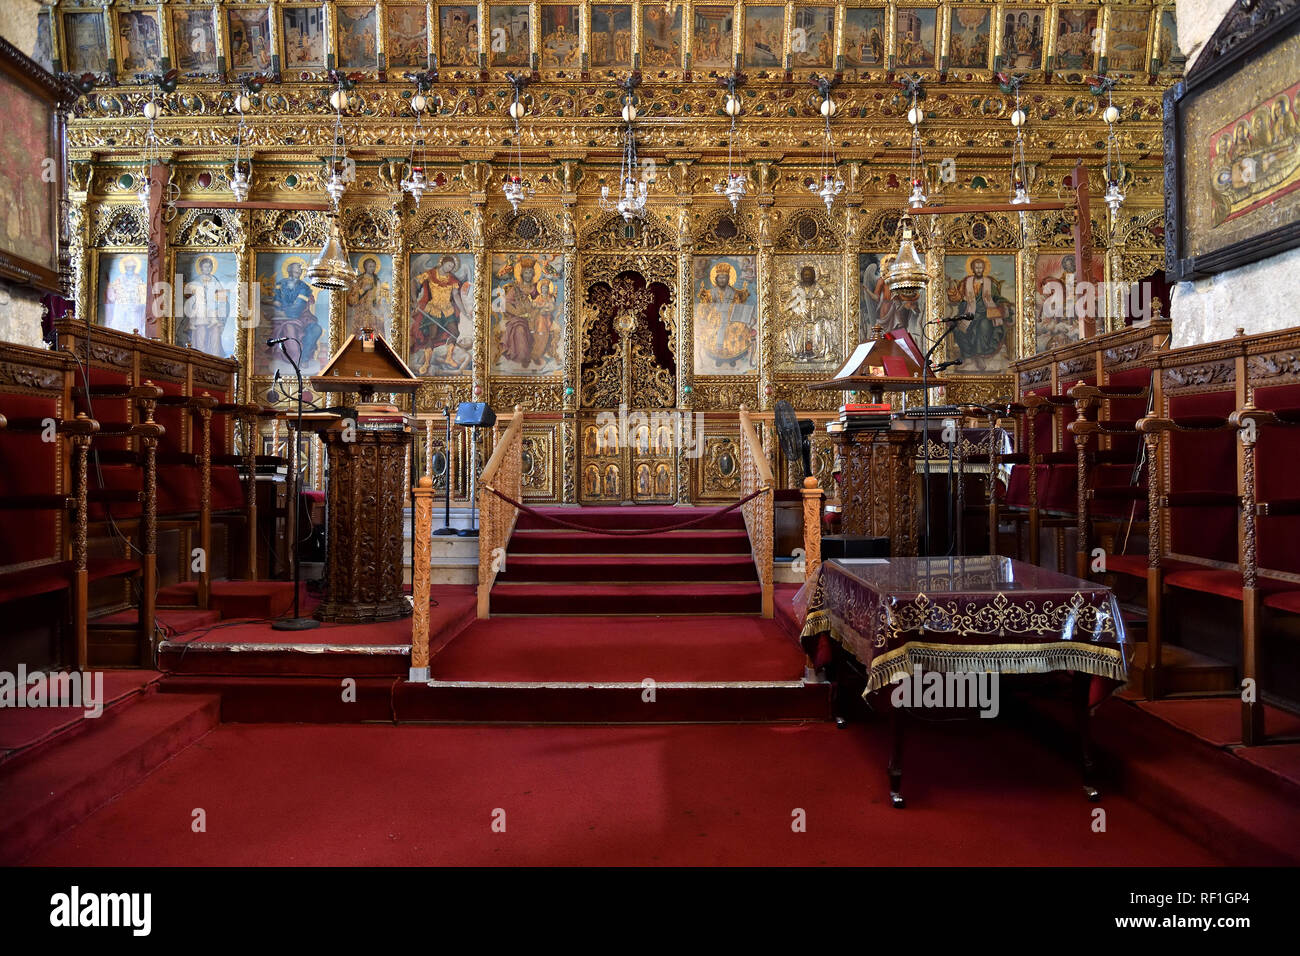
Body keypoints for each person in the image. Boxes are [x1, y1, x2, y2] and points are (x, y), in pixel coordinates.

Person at [412, 255, 472, 373]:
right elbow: (414, 282)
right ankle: (426, 363)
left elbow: (456, 296)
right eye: (449, 265)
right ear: (443, 263)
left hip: (448, 310)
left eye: (452, 267)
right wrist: (414, 300)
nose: (450, 268)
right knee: (432, 336)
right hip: (433, 309)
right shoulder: (430, 274)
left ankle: (449, 358)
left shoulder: (452, 280)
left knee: (455, 333)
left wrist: (464, 312)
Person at [181, 255, 229, 355]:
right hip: (200, 313)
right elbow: (189, 292)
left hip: (212, 313)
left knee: (215, 333)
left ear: (212, 268)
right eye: (205, 266)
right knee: (200, 333)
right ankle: (199, 357)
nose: (207, 269)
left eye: (209, 266)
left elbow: (222, 295)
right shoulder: (197, 280)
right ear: (201, 268)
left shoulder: (215, 280)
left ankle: (215, 357)